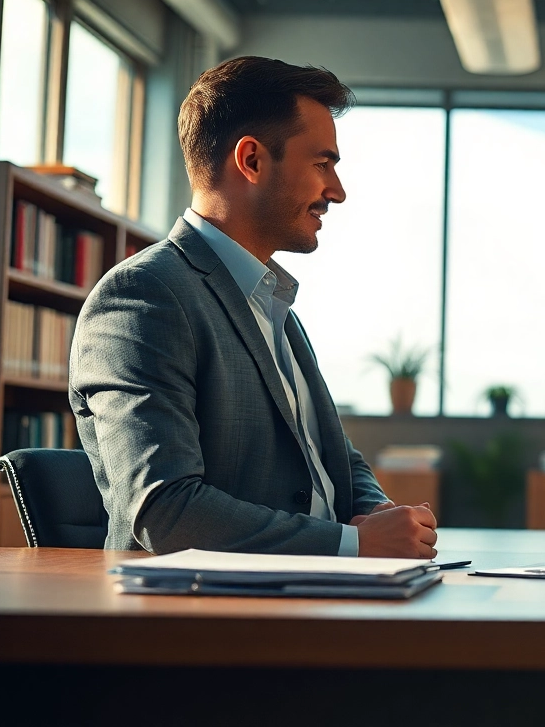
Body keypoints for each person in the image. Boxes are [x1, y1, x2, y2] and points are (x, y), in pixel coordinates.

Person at [69, 56, 437, 558]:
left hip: (314, 600)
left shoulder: (275, 305)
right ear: (253, 160)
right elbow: (166, 512)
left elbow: (331, 458)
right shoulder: (142, 298)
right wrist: (351, 544)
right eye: (322, 164)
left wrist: (378, 514)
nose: (338, 191)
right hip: (206, 620)